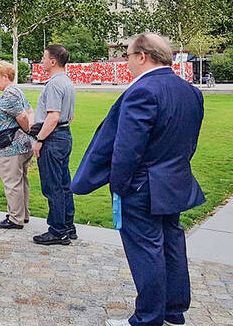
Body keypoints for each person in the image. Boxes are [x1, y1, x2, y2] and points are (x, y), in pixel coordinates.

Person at [72, 34, 206, 326]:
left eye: (128, 55)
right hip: (175, 181)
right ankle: (173, 309)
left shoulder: (142, 91)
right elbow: (189, 142)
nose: (126, 60)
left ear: (143, 56)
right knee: (171, 243)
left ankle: (148, 318)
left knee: (147, 250)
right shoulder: (190, 91)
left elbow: (127, 148)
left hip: (143, 185)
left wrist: (120, 186)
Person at [30, 44, 76, 245]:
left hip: (53, 137)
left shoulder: (55, 84)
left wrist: (39, 139)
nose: (41, 61)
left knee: (53, 186)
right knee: (64, 184)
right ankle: (68, 225)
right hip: (64, 135)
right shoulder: (67, 82)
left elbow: (53, 116)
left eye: (43, 57)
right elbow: (70, 115)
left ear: (53, 61)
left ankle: (58, 230)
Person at [0, 60, 34, 229]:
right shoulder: (17, 91)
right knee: (21, 180)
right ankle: (22, 214)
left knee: (12, 182)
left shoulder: (10, 94)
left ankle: (15, 218)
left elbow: (23, 116)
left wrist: (26, 129)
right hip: (20, 145)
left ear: (5, 77)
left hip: (11, 147)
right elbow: (30, 111)